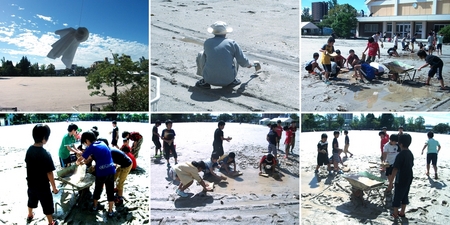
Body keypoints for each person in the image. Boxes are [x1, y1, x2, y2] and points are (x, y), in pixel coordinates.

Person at [195, 21, 253, 89]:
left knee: (201, 54)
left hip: (209, 79)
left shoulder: (207, 42)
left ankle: (205, 81)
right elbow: (242, 59)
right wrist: (248, 64)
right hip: (228, 80)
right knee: (234, 56)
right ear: (225, 32)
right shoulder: (232, 43)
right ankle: (233, 81)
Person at [76, 131, 116, 217]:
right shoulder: (102, 143)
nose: (85, 144)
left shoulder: (91, 147)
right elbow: (99, 155)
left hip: (102, 172)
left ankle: (94, 206)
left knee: (97, 189)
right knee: (110, 191)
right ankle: (110, 211)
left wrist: (77, 163)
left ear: (87, 140)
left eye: (84, 142)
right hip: (111, 170)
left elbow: (80, 159)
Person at [25, 124, 59, 225]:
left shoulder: (29, 150)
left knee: (31, 199)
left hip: (31, 183)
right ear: (44, 138)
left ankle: (30, 214)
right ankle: (50, 222)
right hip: (43, 186)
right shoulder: (45, 154)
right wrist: (54, 187)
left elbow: (28, 164)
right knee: (47, 204)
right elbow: (49, 172)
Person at [391, 134, 414, 219]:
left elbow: (395, 169)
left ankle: (395, 213)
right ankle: (402, 212)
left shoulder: (400, 155)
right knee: (405, 194)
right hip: (409, 177)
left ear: (400, 144)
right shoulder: (410, 153)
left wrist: (390, 183)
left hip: (400, 179)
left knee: (397, 196)